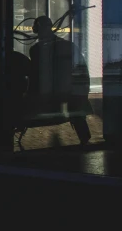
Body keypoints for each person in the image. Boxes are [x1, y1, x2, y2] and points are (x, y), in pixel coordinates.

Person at [28, 16, 92, 145]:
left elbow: (35, 76)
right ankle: (84, 138)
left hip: (51, 94)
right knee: (78, 116)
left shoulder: (35, 50)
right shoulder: (67, 46)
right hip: (69, 93)